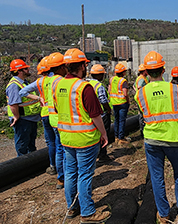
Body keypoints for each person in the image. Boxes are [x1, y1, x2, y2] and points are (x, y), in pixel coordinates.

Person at [134, 51, 178, 224]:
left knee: (157, 177)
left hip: (152, 140)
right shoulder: (175, 89)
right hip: (173, 139)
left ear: (146, 71)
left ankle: (164, 215)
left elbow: (143, 114)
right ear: (163, 69)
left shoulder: (140, 93)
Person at [54, 48, 111, 223]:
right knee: (84, 175)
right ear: (81, 66)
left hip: (66, 137)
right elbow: (95, 115)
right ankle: (87, 212)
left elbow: (57, 109)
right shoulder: (84, 87)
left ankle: (72, 208)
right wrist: (104, 134)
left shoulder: (58, 85)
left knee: (70, 173)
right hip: (85, 138)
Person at [19, 56, 58, 176]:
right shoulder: (57, 80)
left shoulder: (39, 81)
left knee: (50, 142)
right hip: (55, 114)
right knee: (59, 142)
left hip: (44, 114)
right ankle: (61, 168)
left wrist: (38, 98)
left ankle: (52, 166)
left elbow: (22, 92)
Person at [6, 59, 41, 156]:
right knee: (22, 146)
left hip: (29, 118)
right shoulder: (14, 85)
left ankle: (31, 166)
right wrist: (16, 116)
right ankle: (23, 168)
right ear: (19, 71)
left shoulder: (23, 82)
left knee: (30, 146)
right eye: (25, 68)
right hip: (22, 119)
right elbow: (13, 104)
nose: (28, 70)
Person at [47, 52, 69, 189]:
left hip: (52, 119)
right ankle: (64, 177)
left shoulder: (48, 80)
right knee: (64, 151)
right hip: (60, 119)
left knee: (58, 149)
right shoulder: (60, 81)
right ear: (61, 67)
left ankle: (61, 178)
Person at [87, 64, 113, 162]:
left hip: (90, 115)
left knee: (94, 135)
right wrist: (108, 109)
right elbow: (103, 100)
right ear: (98, 75)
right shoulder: (99, 86)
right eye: (102, 74)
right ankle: (103, 155)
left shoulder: (87, 83)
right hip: (101, 114)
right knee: (104, 134)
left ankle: (96, 154)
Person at [109, 63, 130, 145]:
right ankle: (121, 138)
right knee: (122, 120)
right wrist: (128, 101)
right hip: (122, 103)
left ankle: (116, 137)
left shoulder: (111, 79)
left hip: (114, 103)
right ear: (123, 72)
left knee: (116, 120)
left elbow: (109, 90)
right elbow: (125, 93)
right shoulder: (123, 81)